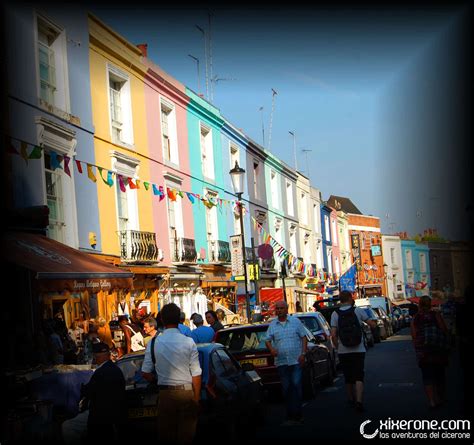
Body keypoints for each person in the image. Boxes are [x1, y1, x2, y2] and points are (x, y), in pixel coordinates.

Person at [141, 303, 202, 445]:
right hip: (186, 393)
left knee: (167, 438)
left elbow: (145, 373)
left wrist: (157, 378)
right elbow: (196, 374)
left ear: (161, 320)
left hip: (165, 394)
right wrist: (196, 399)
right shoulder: (189, 342)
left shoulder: (154, 342)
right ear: (179, 319)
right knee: (186, 437)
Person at [61, 342, 126, 443]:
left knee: (68, 426)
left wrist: (80, 387)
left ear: (96, 357)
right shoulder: (116, 370)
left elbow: (89, 391)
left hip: (100, 415)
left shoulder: (100, 372)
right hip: (114, 413)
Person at [330, 290, 375, 412]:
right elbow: (371, 324)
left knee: (348, 376)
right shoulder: (357, 311)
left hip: (343, 350)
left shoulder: (335, 314)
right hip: (358, 348)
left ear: (340, 300)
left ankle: (351, 399)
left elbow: (333, 334)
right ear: (350, 298)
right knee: (359, 375)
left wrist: (337, 346)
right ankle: (359, 401)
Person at [265, 300, 308, 425]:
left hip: (295, 360)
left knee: (296, 385)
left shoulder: (295, 322)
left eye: (281, 308)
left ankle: (298, 414)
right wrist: (271, 349)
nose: (279, 310)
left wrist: (303, 354)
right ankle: (290, 414)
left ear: (287, 309)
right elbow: (267, 340)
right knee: (286, 388)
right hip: (282, 362)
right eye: (277, 308)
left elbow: (303, 337)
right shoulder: (273, 325)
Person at [411, 295, 449, 409]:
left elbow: (414, 335)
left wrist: (417, 348)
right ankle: (440, 398)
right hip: (437, 349)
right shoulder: (435, 315)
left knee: (427, 376)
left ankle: (432, 401)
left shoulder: (416, 317)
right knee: (439, 374)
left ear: (420, 305)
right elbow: (443, 329)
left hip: (424, 351)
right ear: (430, 304)